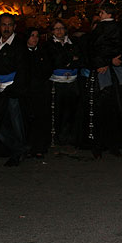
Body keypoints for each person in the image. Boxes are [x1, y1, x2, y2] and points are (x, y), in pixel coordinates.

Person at [0, 13, 30, 167]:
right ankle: (19, 148)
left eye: (10, 25)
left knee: (16, 123)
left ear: (14, 27)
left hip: (13, 90)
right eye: (4, 25)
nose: (6, 28)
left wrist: (14, 89)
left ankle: (18, 151)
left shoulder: (19, 45)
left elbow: (23, 69)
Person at [86, 3, 122, 157]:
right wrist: (113, 60)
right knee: (116, 109)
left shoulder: (99, 29)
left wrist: (102, 62)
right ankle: (114, 144)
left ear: (105, 13)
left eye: (100, 12)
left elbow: (93, 49)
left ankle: (99, 145)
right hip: (115, 72)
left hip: (103, 73)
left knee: (100, 110)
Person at [45, 19, 84, 150]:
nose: (59, 31)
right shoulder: (49, 44)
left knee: (71, 110)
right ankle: (56, 137)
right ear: (52, 31)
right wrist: (69, 58)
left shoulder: (73, 42)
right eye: (56, 28)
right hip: (57, 83)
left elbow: (79, 59)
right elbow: (56, 60)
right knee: (57, 111)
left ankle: (69, 137)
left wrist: (68, 60)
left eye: (61, 28)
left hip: (72, 82)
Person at [21, 27, 52, 158]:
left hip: (40, 91)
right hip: (26, 91)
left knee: (40, 119)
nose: (34, 38)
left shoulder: (42, 53)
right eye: (32, 35)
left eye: (37, 36)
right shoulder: (21, 52)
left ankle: (39, 147)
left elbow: (47, 69)